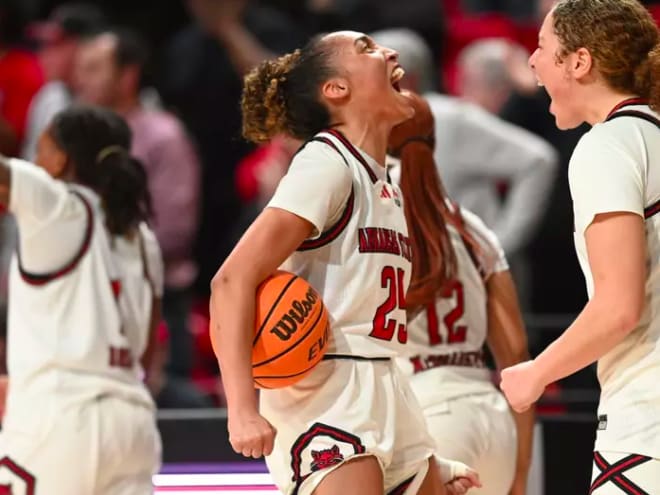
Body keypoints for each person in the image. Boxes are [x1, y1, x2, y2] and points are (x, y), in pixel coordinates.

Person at [210, 31, 479, 495]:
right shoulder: (326, 162)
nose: (389, 52)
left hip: (388, 382)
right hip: (325, 386)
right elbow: (232, 279)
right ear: (336, 89)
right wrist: (241, 408)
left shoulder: (384, 183)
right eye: (367, 49)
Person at [500, 1, 660, 493]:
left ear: (579, 62)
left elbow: (617, 307)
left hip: (648, 412)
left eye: (543, 48)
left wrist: (535, 373)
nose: (531, 62)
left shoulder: (608, 144)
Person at [0, 105, 162, 493]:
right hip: (133, 423)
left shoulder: (56, 204)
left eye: (40, 150)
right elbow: (146, 356)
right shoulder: (143, 239)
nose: (35, 162)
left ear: (61, 160)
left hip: (59, 420)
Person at [389, 92, 534, 495]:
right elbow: (516, 355)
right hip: (492, 418)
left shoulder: (373, 213)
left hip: (426, 413)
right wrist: (520, 473)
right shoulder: (473, 227)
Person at [75, 29, 206, 407]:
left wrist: (92, 252)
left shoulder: (164, 135)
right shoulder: (73, 139)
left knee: (169, 420)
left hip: (159, 301)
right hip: (89, 301)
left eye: (94, 68)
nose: (81, 79)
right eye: (81, 69)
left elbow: (176, 230)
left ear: (128, 75)